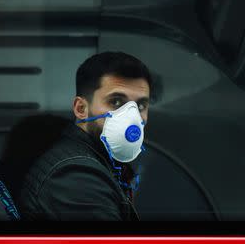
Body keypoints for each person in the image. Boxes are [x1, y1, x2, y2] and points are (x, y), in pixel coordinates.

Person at [16, 52, 152, 221]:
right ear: (81, 109)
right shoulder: (77, 178)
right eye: (116, 102)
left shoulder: (95, 160)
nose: (132, 117)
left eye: (140, 105)